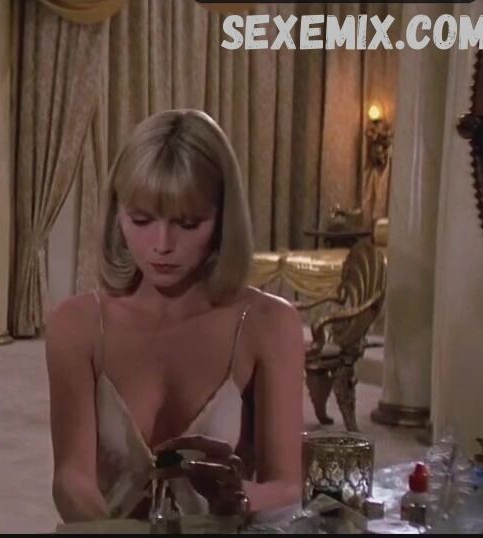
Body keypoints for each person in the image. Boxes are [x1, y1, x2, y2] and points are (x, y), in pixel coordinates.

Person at [45, 109, 304, 523]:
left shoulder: (268, 324)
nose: (162, 244)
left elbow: (287, 485)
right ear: (117, 216)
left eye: (188, 223)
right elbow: (71, 477)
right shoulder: (77, 325)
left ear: (223, 220)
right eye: (142, 220)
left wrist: (238, 498)